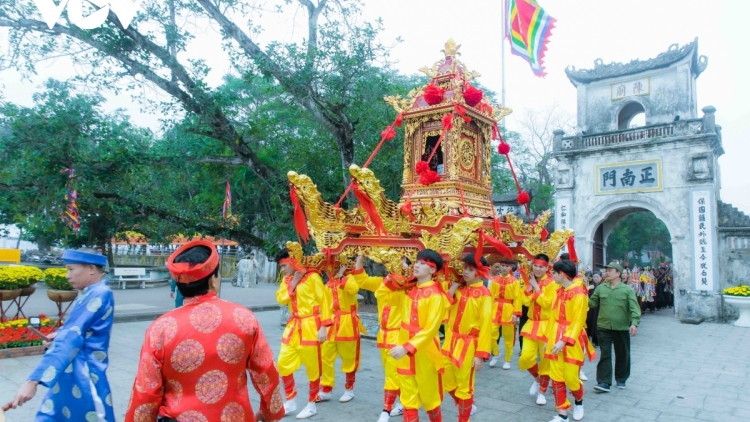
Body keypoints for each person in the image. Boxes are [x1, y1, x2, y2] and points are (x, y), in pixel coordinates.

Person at [125, 240, 284, 422]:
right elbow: (266, 373)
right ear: (213, 280)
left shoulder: (160, 328)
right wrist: (270, 413)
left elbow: (146, 390)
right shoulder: (244, 319)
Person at [9, 248, 115, 421]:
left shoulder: (98, 294)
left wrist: (32, 381)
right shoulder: (93, 292)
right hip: (75, 368)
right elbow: (77, 330)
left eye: (71, 269)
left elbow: (71, 337)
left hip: (83, 372)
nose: (67, 275)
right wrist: (58, 334)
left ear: (91, 268)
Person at [389, 249, 450, 422]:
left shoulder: (436, 296)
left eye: (423, 263)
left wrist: (407, 347)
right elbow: (386, 298)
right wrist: (391, 275)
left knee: (430, 398)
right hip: (403, 349)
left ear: (432, 270)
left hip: (425, 351)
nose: (416, 265)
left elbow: (430, 329)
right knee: (408, 399)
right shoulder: (409, 290)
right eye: (416, 261)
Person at [275, 245, 332, 419]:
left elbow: (325, 302)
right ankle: (290, 401)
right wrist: (293, 282)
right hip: (293, 326)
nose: (283, 269)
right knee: (283, 363)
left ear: (292, 261)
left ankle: (311, 404)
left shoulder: (313, 277)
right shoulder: (287, 280)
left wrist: (324, 326)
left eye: (284, 265)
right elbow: (281, 299)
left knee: (313, 368)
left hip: (310, 326)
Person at [352, 255, 408, 422]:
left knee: (393, 374)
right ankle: (403, 402)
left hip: (398, 335)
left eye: (396, 261)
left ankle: (386, 409)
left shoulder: (409, 286)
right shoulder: (381, 282)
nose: (392, 265)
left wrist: (405, 268)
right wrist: (361, 256)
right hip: (383, 334)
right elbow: (361, 279)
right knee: (391, 373)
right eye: (390, 261)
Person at [442, 254, 493, 421]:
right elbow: (443, 305)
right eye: (465, 268)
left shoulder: (484, 293)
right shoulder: (459, 288)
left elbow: (486, 325)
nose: (465, 272)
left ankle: (464, 417)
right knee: (444, 379)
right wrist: (455, 285)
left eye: (470, 270)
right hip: (450, 340)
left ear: (479, 273)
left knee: (465, 385)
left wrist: (480, 354)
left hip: (469, 344)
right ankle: (467, 406)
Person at [545, 260, 591, 422]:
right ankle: (562, 414)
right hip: (555, 337)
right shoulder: (558, 291)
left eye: (554, 273)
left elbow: (578, 321)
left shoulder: (579, 293)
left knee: (571, 378)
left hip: (573, 341)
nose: (552, 276)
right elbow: (552, 317)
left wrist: (563, 340)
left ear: (562, 274)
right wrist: (548, 339)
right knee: (556, 377)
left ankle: (579, 401)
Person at [319, 262, 367, 403]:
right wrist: (323, 325)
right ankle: (326, 388)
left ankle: (349, 389)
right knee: (325, 356)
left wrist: (341, 277)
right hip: (332, 324)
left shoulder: (349, 277)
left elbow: (353, 289)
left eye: (332, 264)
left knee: (349, 358)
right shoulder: (328, 284)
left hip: (347, 322)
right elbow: (325, 307)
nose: (328, 268)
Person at [590, 262, 641, 392]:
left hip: (621, 327)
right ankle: (603, 382)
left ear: (618, 273)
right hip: (603, 326)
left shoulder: (627, 290)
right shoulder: (601, 288)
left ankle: (621, 378)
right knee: (605, 354)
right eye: (606, 270)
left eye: (610, 270)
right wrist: (580, 295)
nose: (607, 272)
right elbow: (591, 303)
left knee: (622, 354)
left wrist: (634, 323)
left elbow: (634, 308)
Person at [519, 253, 558, 406]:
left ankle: (542, 391)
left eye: (541, 266)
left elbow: (548, 303)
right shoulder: (530, 279)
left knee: (546, 360)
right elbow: (525, 302)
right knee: (526, 357)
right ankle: (537, 378)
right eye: (535, 265)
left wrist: (536, 287)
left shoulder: (552, 283)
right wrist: (529, 287)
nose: (537, 269)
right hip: (532, 323)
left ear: (547, 267)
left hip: (546, 325)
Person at [488, 257, 522, 370]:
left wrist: (515, 313)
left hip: (508, 309)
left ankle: (508, 359)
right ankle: (496, 354)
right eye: (502, 265)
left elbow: (517, 298)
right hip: (495, 308)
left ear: (511, 267)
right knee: (491, 333)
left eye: (507, 266)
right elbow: (490, 296)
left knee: (508, 336)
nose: (504, 268)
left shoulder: (515, 281)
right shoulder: (494, 280)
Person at [585, 273, 602, 347]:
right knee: (590, 322)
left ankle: (597, 340)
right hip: (591, 308)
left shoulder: (602, 286)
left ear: (601, 277)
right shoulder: (591, 285)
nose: (595, 278)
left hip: (599, 308)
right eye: (594, 277)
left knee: (596, 323)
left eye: (597, 277)